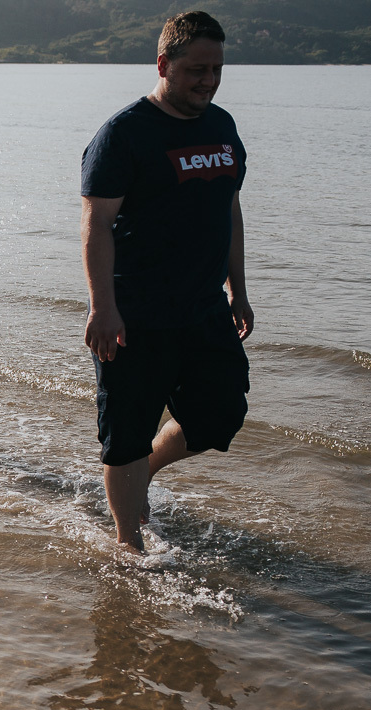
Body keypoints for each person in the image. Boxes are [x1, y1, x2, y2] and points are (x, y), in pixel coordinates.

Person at [80, 11, 253, 552]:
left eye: (216, 69)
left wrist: (238, 289)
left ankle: (146, 471)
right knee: (125, 433)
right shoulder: (124, 134)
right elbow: (96, 225)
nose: (208, 80)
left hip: (202, 307)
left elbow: (230, 209)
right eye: (196, 69)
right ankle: (129, 545)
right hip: (135, 310)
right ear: (164, 64)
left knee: (222, 411)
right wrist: (102, 308)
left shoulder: (221, 126)